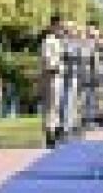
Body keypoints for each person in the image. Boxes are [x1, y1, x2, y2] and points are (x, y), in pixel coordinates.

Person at [40, 15, 64, 148]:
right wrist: (55, 66)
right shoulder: (48, 41)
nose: (60, 30)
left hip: (57, 75)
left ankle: (53, 131)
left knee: (55, 106)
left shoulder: (57, 41)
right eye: (59, 27)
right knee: (50, 106)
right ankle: (50, 134)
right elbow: (47, 58)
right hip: (51, 75)